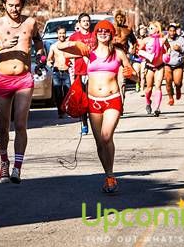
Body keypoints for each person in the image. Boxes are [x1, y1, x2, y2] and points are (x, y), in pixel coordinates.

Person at [58, 20, 136, 193]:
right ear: (95, 33)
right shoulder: (88, 52)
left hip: (112, 99)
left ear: (111, 34)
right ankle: (109, 175)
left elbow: (135, 76)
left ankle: (110, 175)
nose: (103, 33)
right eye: (99, 31)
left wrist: (131, 74)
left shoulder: (118, 53)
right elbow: (61, 47)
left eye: (106, 31)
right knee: (100, 142)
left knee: (106, 136)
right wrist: (74, 43)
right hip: (93, 101)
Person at [0, 0, 45, 184]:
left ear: (22, 5)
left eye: (17, 5)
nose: (14, 9)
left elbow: (38, 42)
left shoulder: (30, 23)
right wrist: (2, 46)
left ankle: (17, 167)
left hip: (24, 78)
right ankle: (4, 162)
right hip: (3, 78)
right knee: (2, 125)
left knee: (21, 124)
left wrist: (41, 57)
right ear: (5, 5)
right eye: (10, 5)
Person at [67, 13, 96, 134]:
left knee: (92, 100)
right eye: (83, 21)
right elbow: (67, 54)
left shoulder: (95, 36)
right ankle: (84, 125)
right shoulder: (74, 37)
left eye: (88, 20)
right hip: (80, 72)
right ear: (79, 23)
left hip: (94, 72)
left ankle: (96, 125)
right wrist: (82, 54)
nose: (86, 23)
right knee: (82, 101)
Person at [138, 21, 170, 116]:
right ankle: (148, 102)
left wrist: (167, 54)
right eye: (149, 28)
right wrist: (146, 55)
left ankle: (157, 108)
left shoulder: (162, 40)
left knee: (158, 86)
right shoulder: (146, 40)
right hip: (149, 66)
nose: (149, 30)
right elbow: (139, 50)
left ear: (157, 29)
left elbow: (168, 47)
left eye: (151, 28)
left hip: (160, 66)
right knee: (148, 89)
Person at [112, 9, 137, 106]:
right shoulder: (112, 28)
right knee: (113, 81)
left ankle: (120, 104)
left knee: (122, 81)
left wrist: (134, 49)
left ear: (124, 18)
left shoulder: (128, 29)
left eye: (121, 18)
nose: (119, 20)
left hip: (124, 57)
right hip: (112, 56)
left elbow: (134, 41)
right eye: (117, 18)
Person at [46, 26, 71, 118]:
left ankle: (67, 110)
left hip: (67, 72)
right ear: (57, 34)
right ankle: (60, 112)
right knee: (58, 93)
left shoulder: (69, 45)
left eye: (63, 33)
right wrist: (49, 63)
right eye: (60, 33)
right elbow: (49, 58)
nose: (62, 35)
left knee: (67, 93)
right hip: (57, 72)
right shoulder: (53, 46)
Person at [165, 23, 184, 106]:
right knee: (168, 81)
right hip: (167, 64)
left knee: (177, 82)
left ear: (176, 31)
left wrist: (180, 49)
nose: (172, 33)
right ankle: (171, 98)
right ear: (168, 31)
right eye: (170, 31)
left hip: (178, 64)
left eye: (174, 31)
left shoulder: (180, 39)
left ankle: (178, 89)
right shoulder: (164, 39)